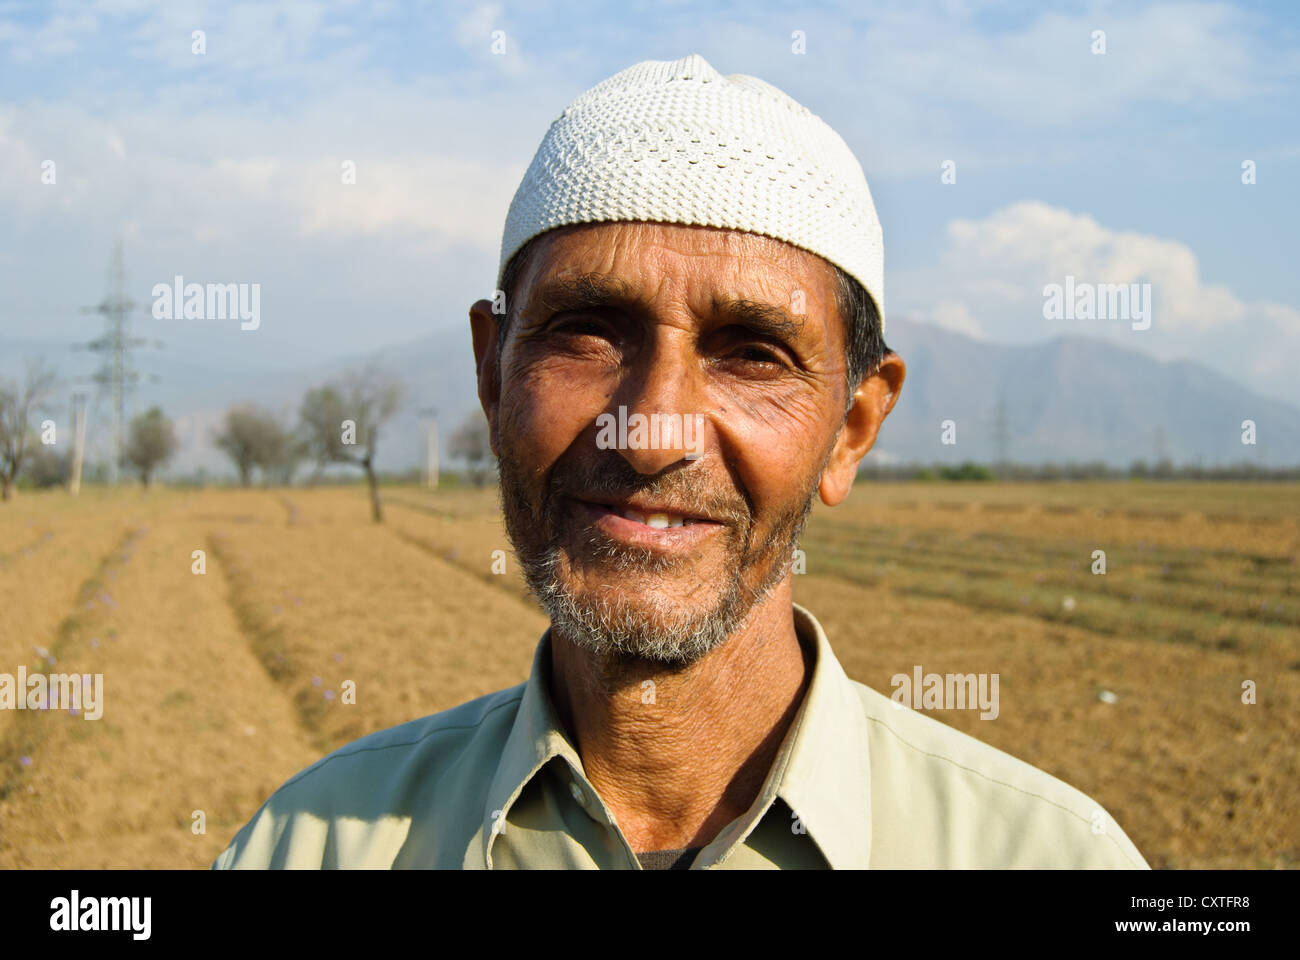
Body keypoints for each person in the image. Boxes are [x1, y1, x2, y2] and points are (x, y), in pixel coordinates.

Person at [213, 53, 1147, 870]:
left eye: (752, 354)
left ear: (853, 426)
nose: (653, 433)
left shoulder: (1052, 858)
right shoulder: (313, 845)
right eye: (586, 332)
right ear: (494, 377)